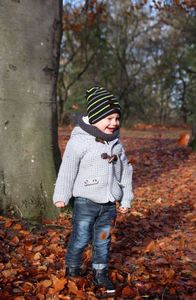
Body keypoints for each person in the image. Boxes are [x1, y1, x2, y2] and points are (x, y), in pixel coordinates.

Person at [53, 86, 133, 293]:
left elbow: (125, 173)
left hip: (108, 205)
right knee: (80, 237)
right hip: (85, 202)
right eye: (109, 118)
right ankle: (72, 268)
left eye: (117, 119)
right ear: (95, 117)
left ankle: (100, 273)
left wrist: (125, 200)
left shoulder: (116, 144)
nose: (114, 123)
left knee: (103, 240)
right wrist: (61, 195)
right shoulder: (79, 141)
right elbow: (68, 169)